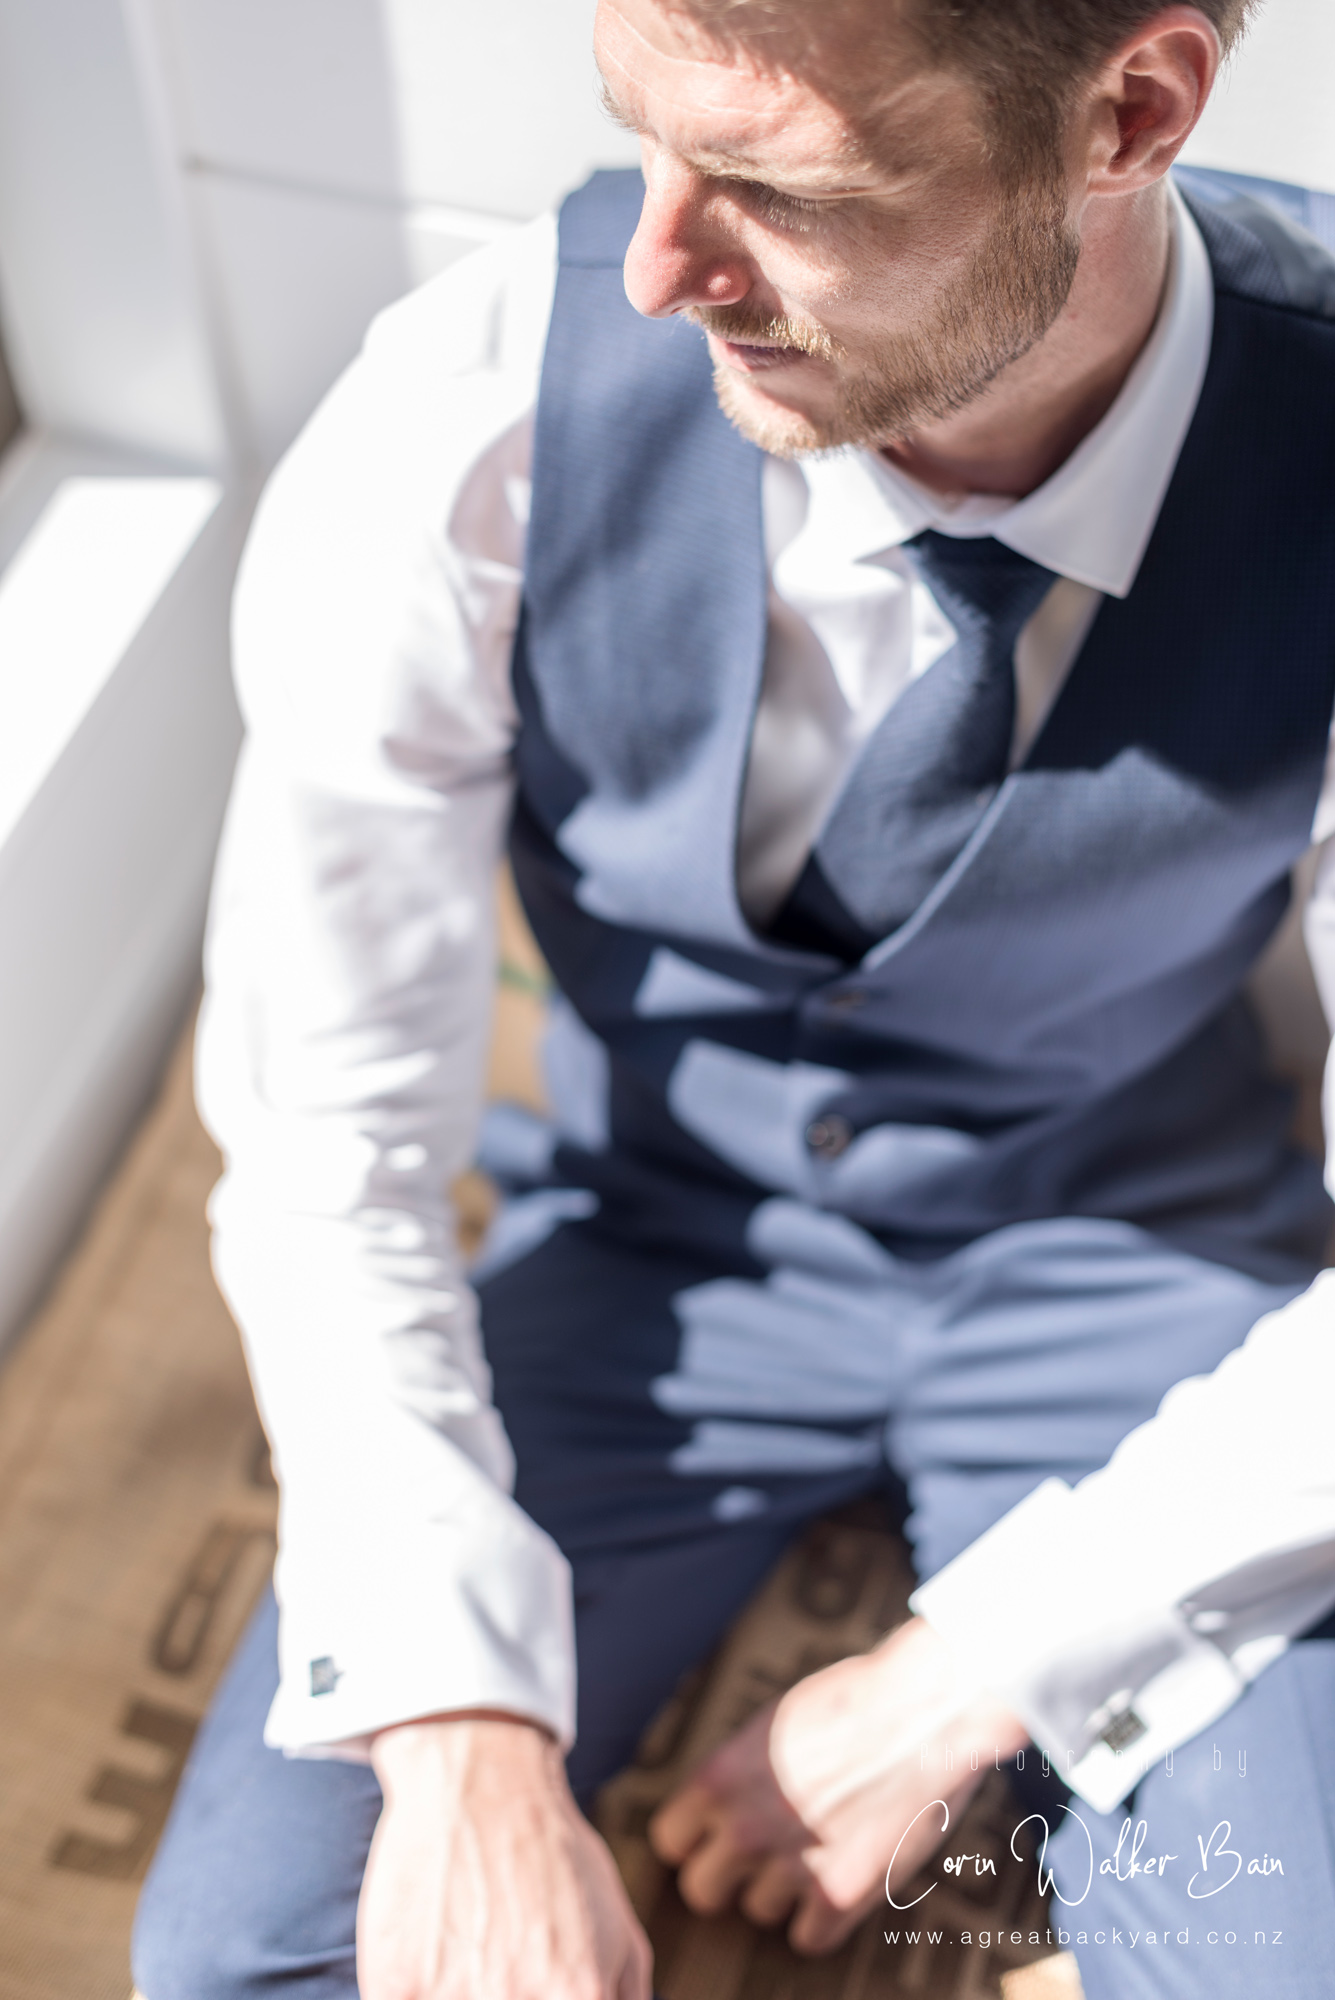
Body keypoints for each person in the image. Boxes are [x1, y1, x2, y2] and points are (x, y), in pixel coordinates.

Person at [133, 2, 1335, 1996]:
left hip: (1138, 1251)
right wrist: (455, 1741)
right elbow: (326, 1138)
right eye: (640, 138)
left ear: (1125, 113)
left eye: (780, 189)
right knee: (253, 1956)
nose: (653, 262)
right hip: (645, 1251)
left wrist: (960, 1678)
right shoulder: (469, 424)